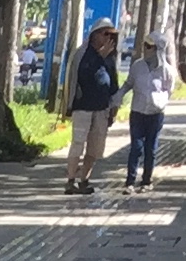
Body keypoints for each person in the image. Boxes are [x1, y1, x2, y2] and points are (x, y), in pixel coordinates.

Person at [66, 20, 122, 193]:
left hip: (102, 108)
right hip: (83, 107)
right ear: (95, 35)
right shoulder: (84, 53)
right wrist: (99, 57)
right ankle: (70, 181)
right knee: (78, 143)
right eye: (105, 34)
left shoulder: (110, 57)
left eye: (111, 35)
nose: (108, 38)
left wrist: (114, 106)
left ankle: (84, 180)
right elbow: (83, 75)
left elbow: (113, 83)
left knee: (95, 147)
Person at [125, 30, 173, 189]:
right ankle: (130, 181)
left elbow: (169, 90)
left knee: (150, 149)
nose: (145, 48)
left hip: (155, 115)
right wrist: (117, 98)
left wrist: (159, 102)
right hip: (137, 112)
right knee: (136, 147)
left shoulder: (166, 71)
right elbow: (129, 83)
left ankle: (146, 180)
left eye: (149, 46)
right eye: (144, 45)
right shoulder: (137, 66)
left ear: (158, 49)